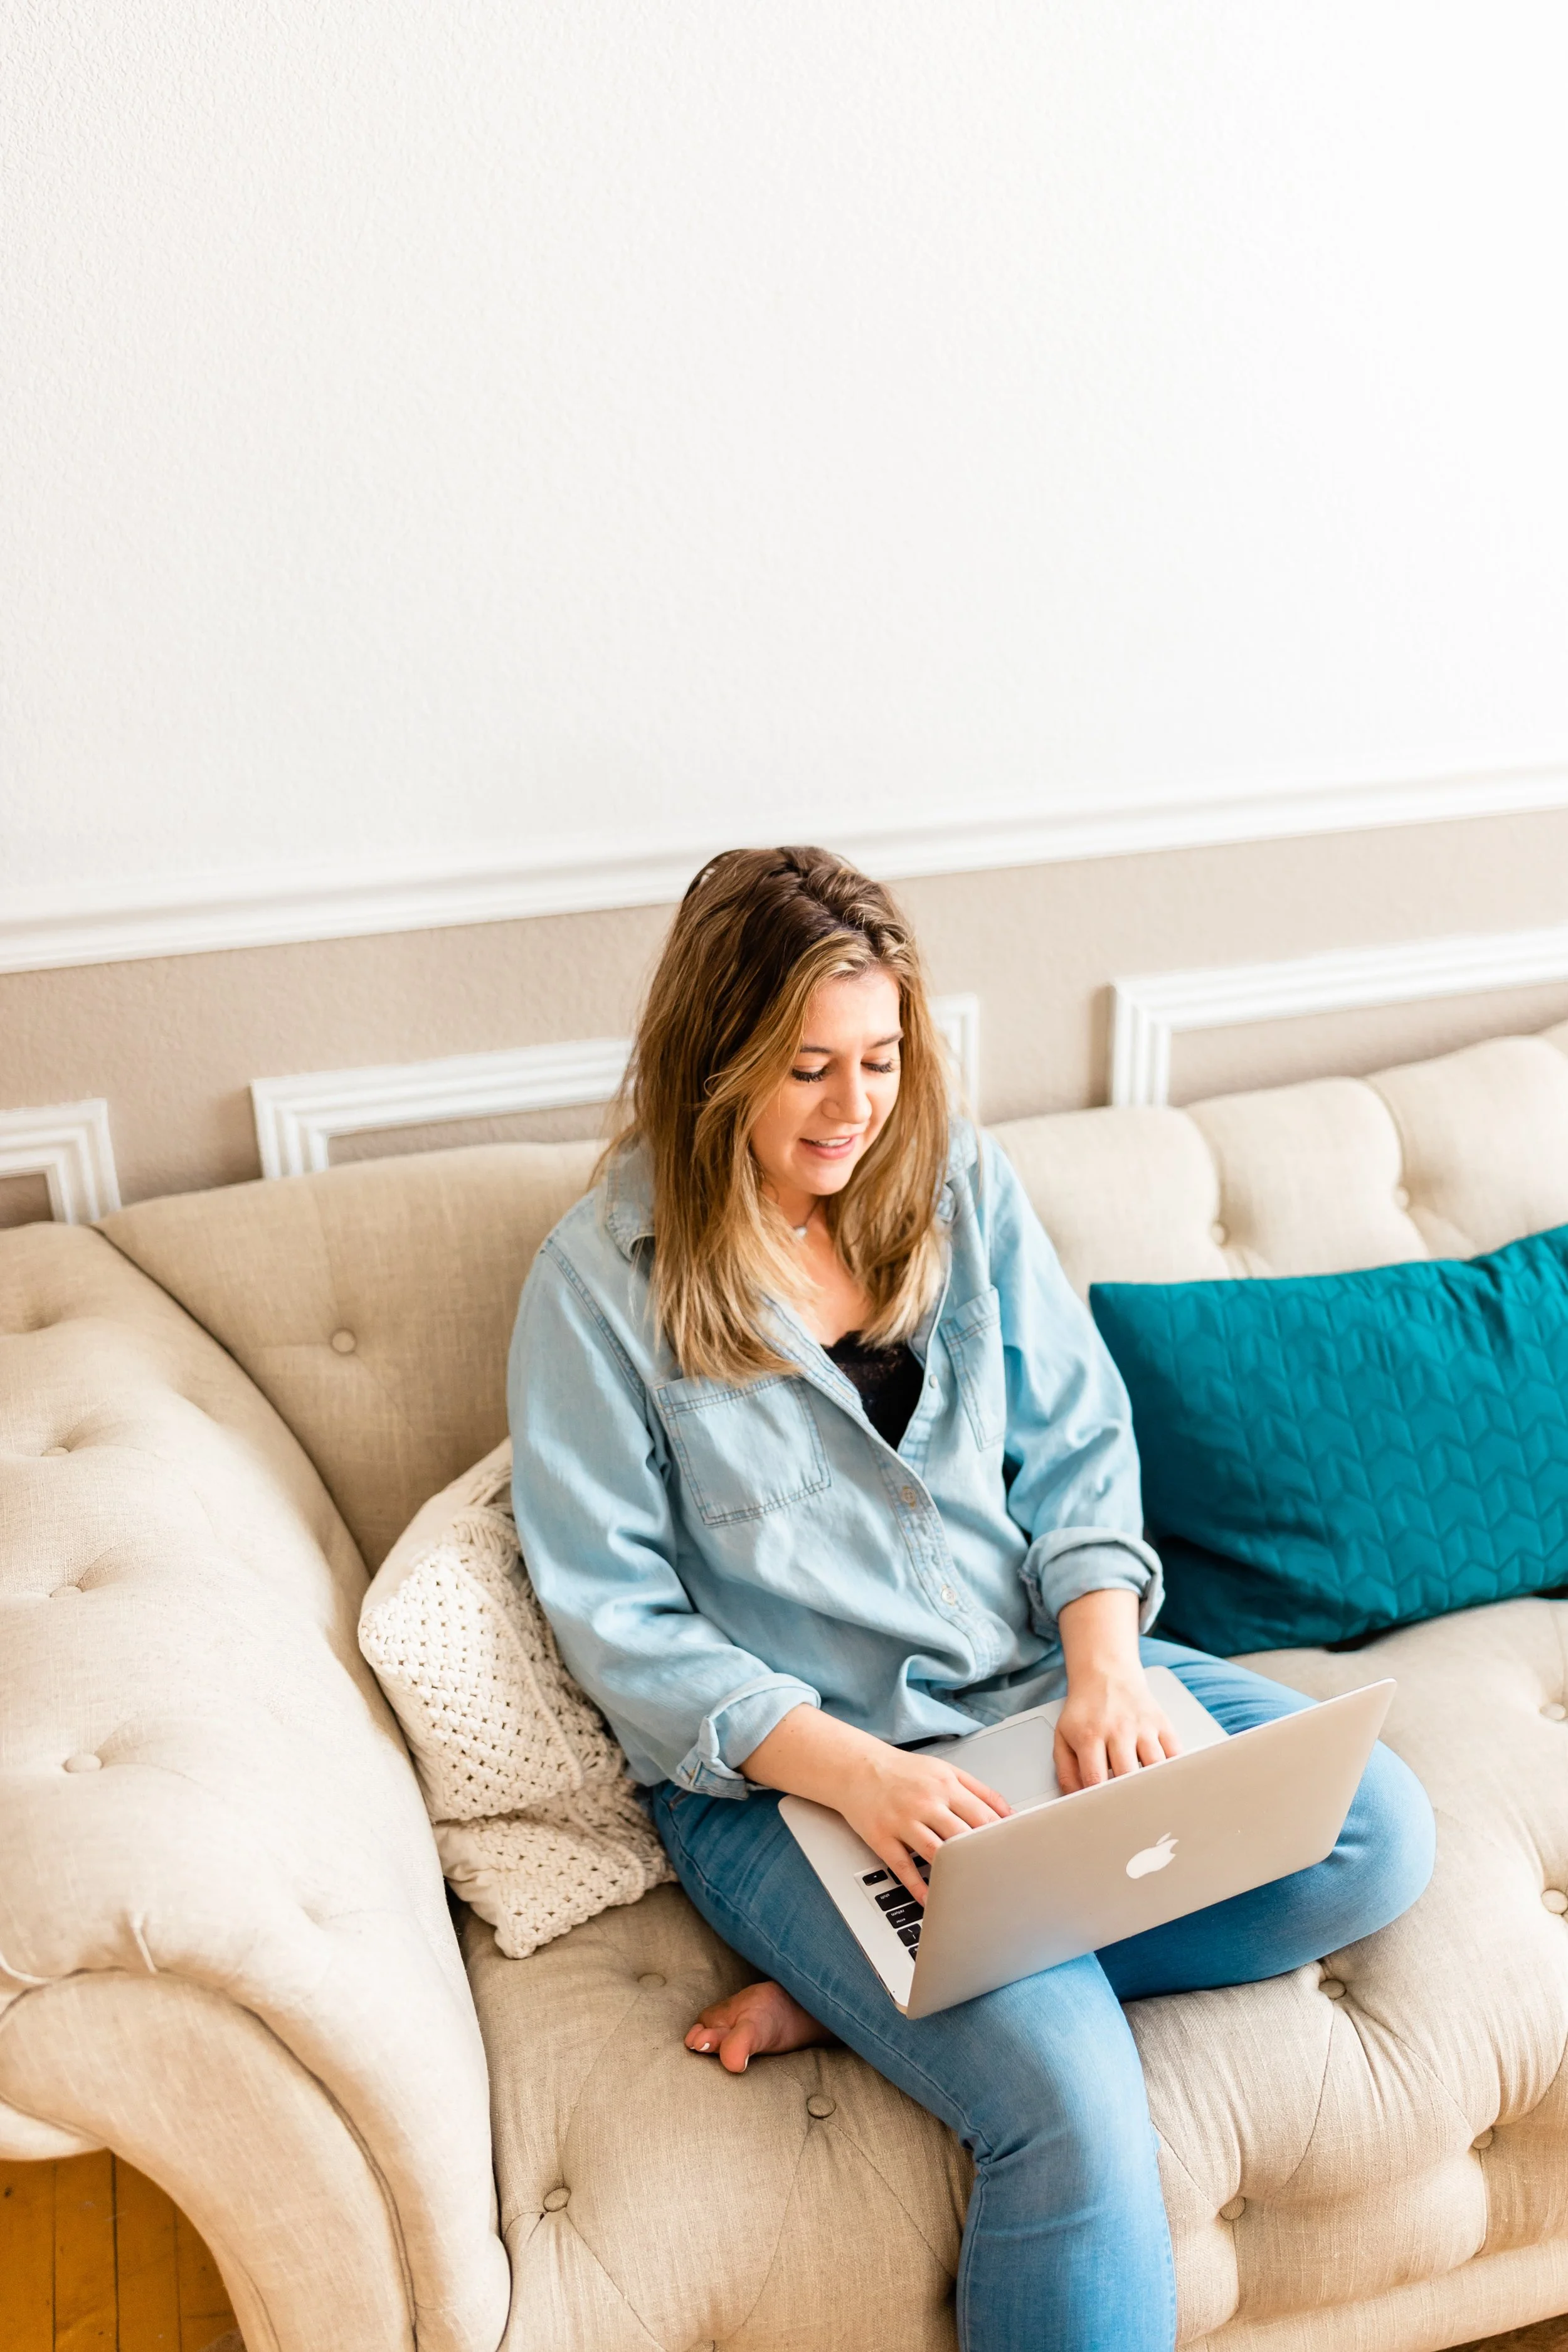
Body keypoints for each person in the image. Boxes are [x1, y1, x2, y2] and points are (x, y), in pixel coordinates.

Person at [507, 845, 1434, 2352]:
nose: (851, 1107)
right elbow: (619, 1625)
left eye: (878, 1059)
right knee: (1067, 2110)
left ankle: (882, 1987)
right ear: (713, 1060)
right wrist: (865, 1781)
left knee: (1370, 1827)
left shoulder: (952, 1182)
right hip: (791, 1785)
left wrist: (1102, 1673)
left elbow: (1075, 1439)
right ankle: (904, 1964)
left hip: (1017, 1691)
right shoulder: (596, 1285)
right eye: (804, 1068)